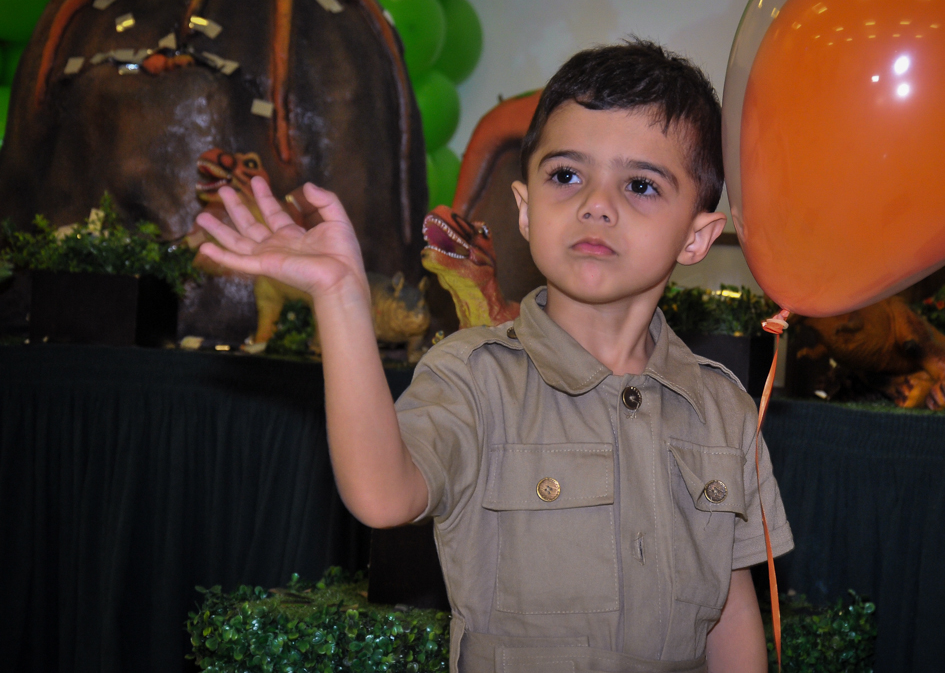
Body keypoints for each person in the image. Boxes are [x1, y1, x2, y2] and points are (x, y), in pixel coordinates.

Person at [197, 39, 793, 673]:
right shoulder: (473, 376)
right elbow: (381, 495)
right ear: (526, 209)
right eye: (566, 175)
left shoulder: (724, 406)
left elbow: (729, 608)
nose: (596, 203)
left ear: (698, 236)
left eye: (641, 185)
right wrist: (341, 297)